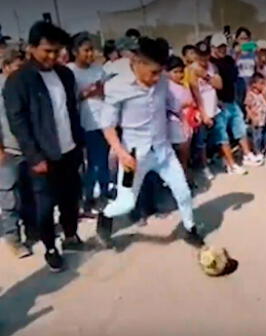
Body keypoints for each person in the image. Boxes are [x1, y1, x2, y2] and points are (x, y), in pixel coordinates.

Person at [96, 36, 205, 248]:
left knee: (183, 192)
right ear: (137, 63)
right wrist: (121, 153)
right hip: (134, 156)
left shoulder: (163, 81)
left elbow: (173, 104)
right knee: (126, 203)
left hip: (163, 151)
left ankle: (190, 229)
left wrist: (184, 117)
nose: (157, 78)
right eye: (153, 73)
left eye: (160, 72)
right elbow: (107, 125)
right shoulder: (117, 86)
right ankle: (105, 215)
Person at [4, 21, 85, 272]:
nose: (52, 56)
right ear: (31, 48)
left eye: (56, 51)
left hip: (69, 149)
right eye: (46, 51)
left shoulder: (64, 74)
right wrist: (34, 155)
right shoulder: (18, 80)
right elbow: (18, 121)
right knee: (45, 205)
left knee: (71, 198)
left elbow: (70, 110)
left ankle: (71, 235)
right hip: (42, 156)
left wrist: (79, 144)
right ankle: (51, 248)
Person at [67, 32, 110, 217]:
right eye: (86, 50)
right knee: (90, 165)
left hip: (103, 122)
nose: (90, 54)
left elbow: (107, 92)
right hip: (84, 124)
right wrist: (85, 94)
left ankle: (104, 194)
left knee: (102, 162)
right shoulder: (69, 71)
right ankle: (87, 198)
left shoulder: (99, 70)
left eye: (92, 49)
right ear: (75, 51)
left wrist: (102, 90)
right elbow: (67, 100)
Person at [209, 33, 263, 174]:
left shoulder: (229, 60)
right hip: (218, 104)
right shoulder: (210, 63)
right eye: (218, 47)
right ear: (213, 47)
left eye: (223, 47)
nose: (222, 50)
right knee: (222, 135)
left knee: (240, 128)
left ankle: (247, 155)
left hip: (231, 100)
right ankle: (230, 164)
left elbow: (233, 77)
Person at [0, 49, 36, 258]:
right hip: (8, 152)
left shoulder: (25, 87)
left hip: (28, 149)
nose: (21, 72)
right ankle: (13, 238)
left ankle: (33, 229)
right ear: (6, 68)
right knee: (9, 197)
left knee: (30, 194)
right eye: (17, 67)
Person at [187, 41, 222, 180]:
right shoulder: (191, 70)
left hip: (213, 106)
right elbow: (196, 95)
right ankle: (203, 166)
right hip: (201, 110)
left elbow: (219, 85)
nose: (203, 60)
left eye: (206, 56)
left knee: (215, 137)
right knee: (201, 141)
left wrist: (205, 75)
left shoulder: (212, 67)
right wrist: (203, 113)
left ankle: (213, 159)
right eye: (200, 56)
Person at [166, 55, 196, 186]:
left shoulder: (184, 86)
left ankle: (184, 176)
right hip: (173, 122)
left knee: (185, 153)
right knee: (176, 153)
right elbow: (170, 106)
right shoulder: (167, 87)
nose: (179, 75)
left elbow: (191, 102)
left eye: (180, 71)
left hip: (187, 122)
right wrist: (183, 105)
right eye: (175, 72)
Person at [245, 73, 266, 162]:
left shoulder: (263, 93)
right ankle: (258, 152)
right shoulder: (250, 94)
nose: (263, 85)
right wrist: (251, 117)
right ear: (254, 84)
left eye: (263, 83)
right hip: (257, 118)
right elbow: (247, 106)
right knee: (257, 136)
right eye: (261, 83)